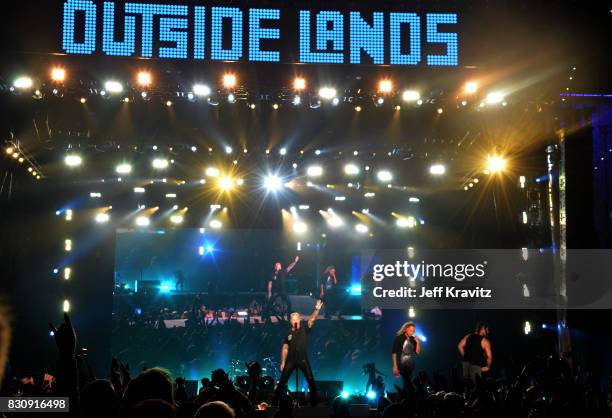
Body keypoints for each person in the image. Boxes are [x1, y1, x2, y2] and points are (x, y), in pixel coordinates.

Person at [273, 299, 323, 406]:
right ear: (291, 321)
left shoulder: (304, 329)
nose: (296, 321)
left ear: (299, 320)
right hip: (290, 361)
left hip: (303, 359)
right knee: (282, 381)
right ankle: (274, 402)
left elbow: (312, 320)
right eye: (294, 320)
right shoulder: (288, 333)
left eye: (297, 319)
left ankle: (314, 402)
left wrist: (316, 309)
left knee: (310, 379)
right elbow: (285, 348)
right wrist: (283, 362)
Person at [267, 256, 300, 321]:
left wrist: (295, 261)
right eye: (276, 265)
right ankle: (266, 316)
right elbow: (269, 284)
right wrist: (269, 293)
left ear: (280, 267)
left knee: (289, 303)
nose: (277, 266)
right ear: (275, 267)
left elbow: (290, 267)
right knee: (270, 303)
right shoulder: (272, 274)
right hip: (275, 291)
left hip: (282, 291)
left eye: (278, 265)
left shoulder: (283, 272)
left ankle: (288, 316)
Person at [392, 322, 421, 393]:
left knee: (407, 380)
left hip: (410, 363)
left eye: (413, 331)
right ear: (406, 329)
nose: (412, 332)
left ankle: (405, 396)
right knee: (407, 379)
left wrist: (418, 342)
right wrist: (395, 366)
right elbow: (394, 353)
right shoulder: (399, 338)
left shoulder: (413, 339)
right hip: (401, 362)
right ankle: (411, 394)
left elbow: (417, 352)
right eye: (411, 330)